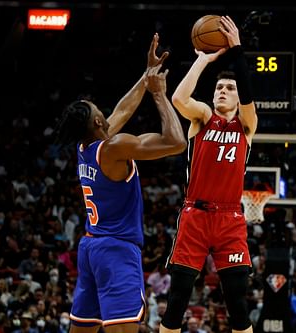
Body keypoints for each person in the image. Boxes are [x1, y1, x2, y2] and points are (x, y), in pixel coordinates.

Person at [55, 33, 186, 333]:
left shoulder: (85, 146)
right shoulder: (114, 148)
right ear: (98, 123)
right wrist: (159, 94)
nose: (103, 110)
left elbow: (122, 111)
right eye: (97, 109)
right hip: (117, 251)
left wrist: (146, 75)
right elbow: (176, 142)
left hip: (91, 248)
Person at [159, 16, 258, 333]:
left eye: (229, 88)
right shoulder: (202, 118)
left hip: (230, 219)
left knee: (238, 304)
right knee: (177, 300)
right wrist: (202, 61)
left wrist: (238, 49)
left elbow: (247, 93)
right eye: (219, 88)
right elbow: (178, 99)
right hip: (195, 215)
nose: (223, 91)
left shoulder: (246, 125)